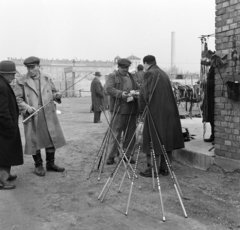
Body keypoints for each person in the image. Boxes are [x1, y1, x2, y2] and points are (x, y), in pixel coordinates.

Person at [14, 56, 66, 177]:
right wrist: (26, 107)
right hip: (33, 115)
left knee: (50, 138)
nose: (30, 70)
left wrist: (57, 95)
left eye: (33, 67)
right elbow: (17, 98)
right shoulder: (21, 81)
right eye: (28, 67)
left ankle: (50, 164)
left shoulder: (47, 78)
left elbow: (53, 92)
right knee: (35, 140)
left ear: (38, 66)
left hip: (48, 113)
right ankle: (38, 165)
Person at [138, 55, 184, 177]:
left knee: (152, 139)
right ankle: (165, 167)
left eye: (144, 66)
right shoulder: (163, 73)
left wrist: (141, 111)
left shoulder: (149, 74)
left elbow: (144, 95)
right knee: (166, 139)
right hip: (168, 113)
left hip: (155, 113)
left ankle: (152, 168)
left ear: (146, 64)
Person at [105, 58, 138, 165]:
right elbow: (108, 89)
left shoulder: (132, 76)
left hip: (131, 110)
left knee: (130, 134)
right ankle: (111, 156)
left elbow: (137, 88)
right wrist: (121, 94)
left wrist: (136, 92)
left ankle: (127, 155)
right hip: (117, 110)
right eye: (123, 67)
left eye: (127, 67)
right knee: (115, 134)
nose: (125, 69)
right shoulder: (112, 76)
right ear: (118, 67)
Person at [0, 60, 24, 189]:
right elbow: (2, 111)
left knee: (7, 151)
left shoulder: (3, 83)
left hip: (5, 126)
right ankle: (2, 180)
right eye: (12, 74)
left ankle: (6, 174)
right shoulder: (2, 86)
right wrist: (10, 126)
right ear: (5, 74)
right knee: (4, 153)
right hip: (4, 127)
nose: (14, 76)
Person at [202, 65, 215, 142]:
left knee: (212, 118)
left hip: (213, 97)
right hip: (209, 97)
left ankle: (214, 136)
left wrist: (207, 82)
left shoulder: (215, 69)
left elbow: (216, 81)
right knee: (210, 118)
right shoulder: (212, 69)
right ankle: (213, 135)